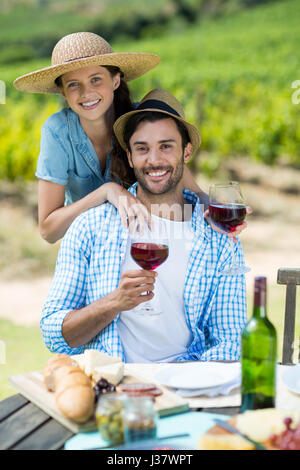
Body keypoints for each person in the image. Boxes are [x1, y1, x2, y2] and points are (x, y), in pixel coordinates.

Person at [40, 88, 247, 363]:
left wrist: (191, 386)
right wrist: (114, 303)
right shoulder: (90, 227)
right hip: (113, 388)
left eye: (166, 146)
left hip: (187, 384)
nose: (154, 160)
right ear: (129, 157)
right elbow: (54, 333)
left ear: (186, 153)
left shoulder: (219, 238)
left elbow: (230, 341)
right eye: (142, 149)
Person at [14, 31, 247, 244]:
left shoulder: (139, 123)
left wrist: (222, 213)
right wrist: (107, 191)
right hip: (89, 249)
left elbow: (193, 191)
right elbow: (48, 230)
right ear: (63, 92)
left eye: (96, 79)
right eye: (73, 84)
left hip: (144, 243)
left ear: (115, 81)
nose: (86, 93)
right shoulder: (57, 131)